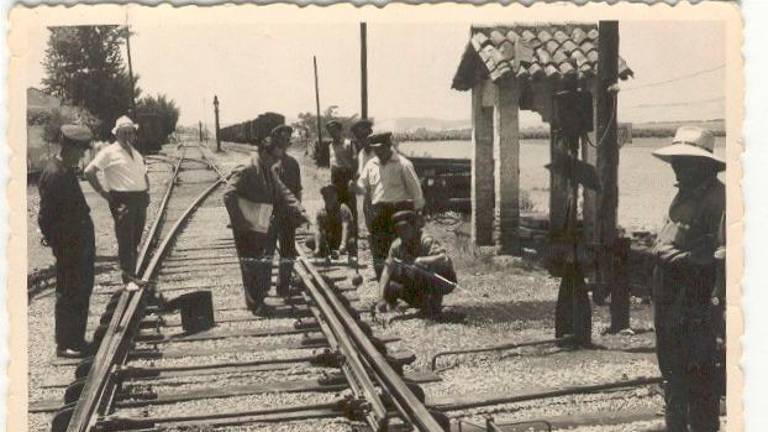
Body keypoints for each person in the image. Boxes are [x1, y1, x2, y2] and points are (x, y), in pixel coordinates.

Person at [650, 126, 725, 432]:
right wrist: (663, 251)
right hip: (670, 304)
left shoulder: (719, 199)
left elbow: (721, 254)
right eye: (676, 161)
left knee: (701, 379)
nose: (677, 168)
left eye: (683, 161)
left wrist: (675, 256)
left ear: (703, 165)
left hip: (697, 305)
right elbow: (664, 238)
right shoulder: (681, 196)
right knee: (673, 377)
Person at [223, 134, 308, 314]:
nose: (277, 160)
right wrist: (240, 221)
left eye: (279, 157)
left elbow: (282, 191)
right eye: (274, 157)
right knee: (250, 264)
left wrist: (299, 209)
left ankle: (258, 299)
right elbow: (228, 194)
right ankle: (255, 304)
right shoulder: (247, 167)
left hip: (259, 222)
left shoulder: (268, 169)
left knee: (259, 262)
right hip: (246, 225)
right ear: (263, 152)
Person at [38, 125, 96, 358]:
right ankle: (65, 344)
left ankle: (77, 339)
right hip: (69, 245)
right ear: (69, 147)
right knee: (70, 291)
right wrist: (59, 245)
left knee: (81, 289)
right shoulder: (55, 174)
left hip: (78, 243)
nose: (82, 155)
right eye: (80, 150)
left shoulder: (64, 169)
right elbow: (46, 218)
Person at [84, 116, 149, 283]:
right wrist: (103, 193)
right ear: (117, 134)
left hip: (140, 199)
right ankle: (128, 279)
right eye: (124, 133)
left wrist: (146, 189)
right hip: (123, 200)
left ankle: (131, 274)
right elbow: (89, 171)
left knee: (135, 239)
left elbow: (143, 173)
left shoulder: (135, 152)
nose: (128, 136)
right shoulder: (109, 152)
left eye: (131, 133)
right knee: (126, 239)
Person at [351, 132, 425, 279]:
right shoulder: (371, 164)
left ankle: (404, 284)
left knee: (401, 249)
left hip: (400, 212)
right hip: (379, 213)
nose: (378, 152)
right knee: (379, 250)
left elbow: (416, 192)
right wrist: (355, 187)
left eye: (380, 148)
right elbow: (363, 188)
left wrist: (418, 214)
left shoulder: (403, 164)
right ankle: (384, 287)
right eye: (375, 149)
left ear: (389, 146)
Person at [377, 210, 456, 319]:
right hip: (417, 282)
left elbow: (443, 258)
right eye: (398, 229)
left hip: (443, 280)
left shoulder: (425, 240)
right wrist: (381, 297)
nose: (401, 232)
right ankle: (419, 303)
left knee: (415, 268)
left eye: (405, 228)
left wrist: (421, 260)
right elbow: (387, 270)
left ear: (414, 227)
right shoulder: (397, 246)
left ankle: (433, 302)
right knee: (390, 284)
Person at [270, 125, 302, 297]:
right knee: (266, 251)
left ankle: (282, 286)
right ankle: (262, 288)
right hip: (270, 214)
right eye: (280, 140)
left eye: (286, 140)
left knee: (288, 251)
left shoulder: (293, 164)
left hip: (287, 214)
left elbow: (297, 190)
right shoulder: (266, 163)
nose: (284, 143)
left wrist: (298, 212)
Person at [306, 185, 356, 258]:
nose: (328, 198)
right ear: (324, 197)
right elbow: (317, 230)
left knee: (352, 242)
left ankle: (338, 250)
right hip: (330, 238)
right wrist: (317, 248)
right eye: (326, 195)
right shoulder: (321, 211)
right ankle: (327, 250)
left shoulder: (343, 208)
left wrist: (343, 244)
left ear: (336, 196)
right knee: (309, 241)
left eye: (331, 195)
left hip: (343, 237)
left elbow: (346, 227)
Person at [326, 120, 358, 231]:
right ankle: (340, 233)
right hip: (335, 179)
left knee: (350, 205)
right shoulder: (330, 145)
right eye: (330, 131)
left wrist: (353, 179)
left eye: (334, 130)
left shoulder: (348, 143)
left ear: (340, 130)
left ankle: (353, 233)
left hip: (346, 177)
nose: (332, 133)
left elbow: (355, 162)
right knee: (337, 205)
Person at [350, 119, 374, 234]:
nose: (364, 140)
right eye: (360, 137)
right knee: (370, 225)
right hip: (368, 196)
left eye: (366, 135)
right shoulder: (362, 154)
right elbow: (361, 174)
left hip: (384, 194)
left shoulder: (380, 151)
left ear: (371, 133)